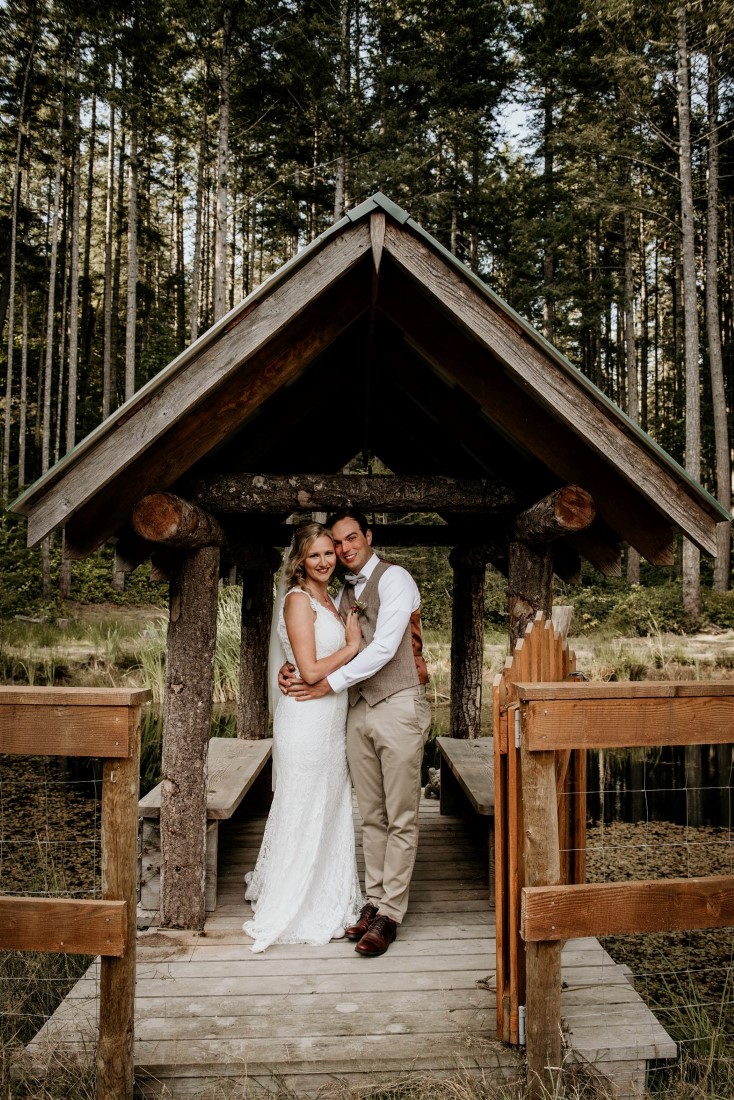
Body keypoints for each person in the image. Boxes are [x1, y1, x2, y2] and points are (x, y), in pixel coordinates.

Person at [281, 509, 431, 957]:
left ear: (368, 536)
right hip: (357, 710)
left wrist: (327, 682)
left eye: (349, 540)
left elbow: (385, 647)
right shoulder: (338, 594)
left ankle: (391, 914)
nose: (343, 550)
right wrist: (292, 668)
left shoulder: (395, 579)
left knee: (400, 813)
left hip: (398, 704)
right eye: (335, 544)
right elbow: (322, 643)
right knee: (371, 814)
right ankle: (374, 898)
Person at [243, 523, 363, 953]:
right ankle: (297, 898)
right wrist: (351, 646)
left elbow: (303, 663)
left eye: (329, 553)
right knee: (305, 802)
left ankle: (327, 889)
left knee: (329, 804)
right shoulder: (298, 600)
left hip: (331, 721)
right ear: (300, 560)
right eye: (315, 555)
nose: (325, 561)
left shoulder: (329, 598)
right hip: (307, 721)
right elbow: (310, 671)